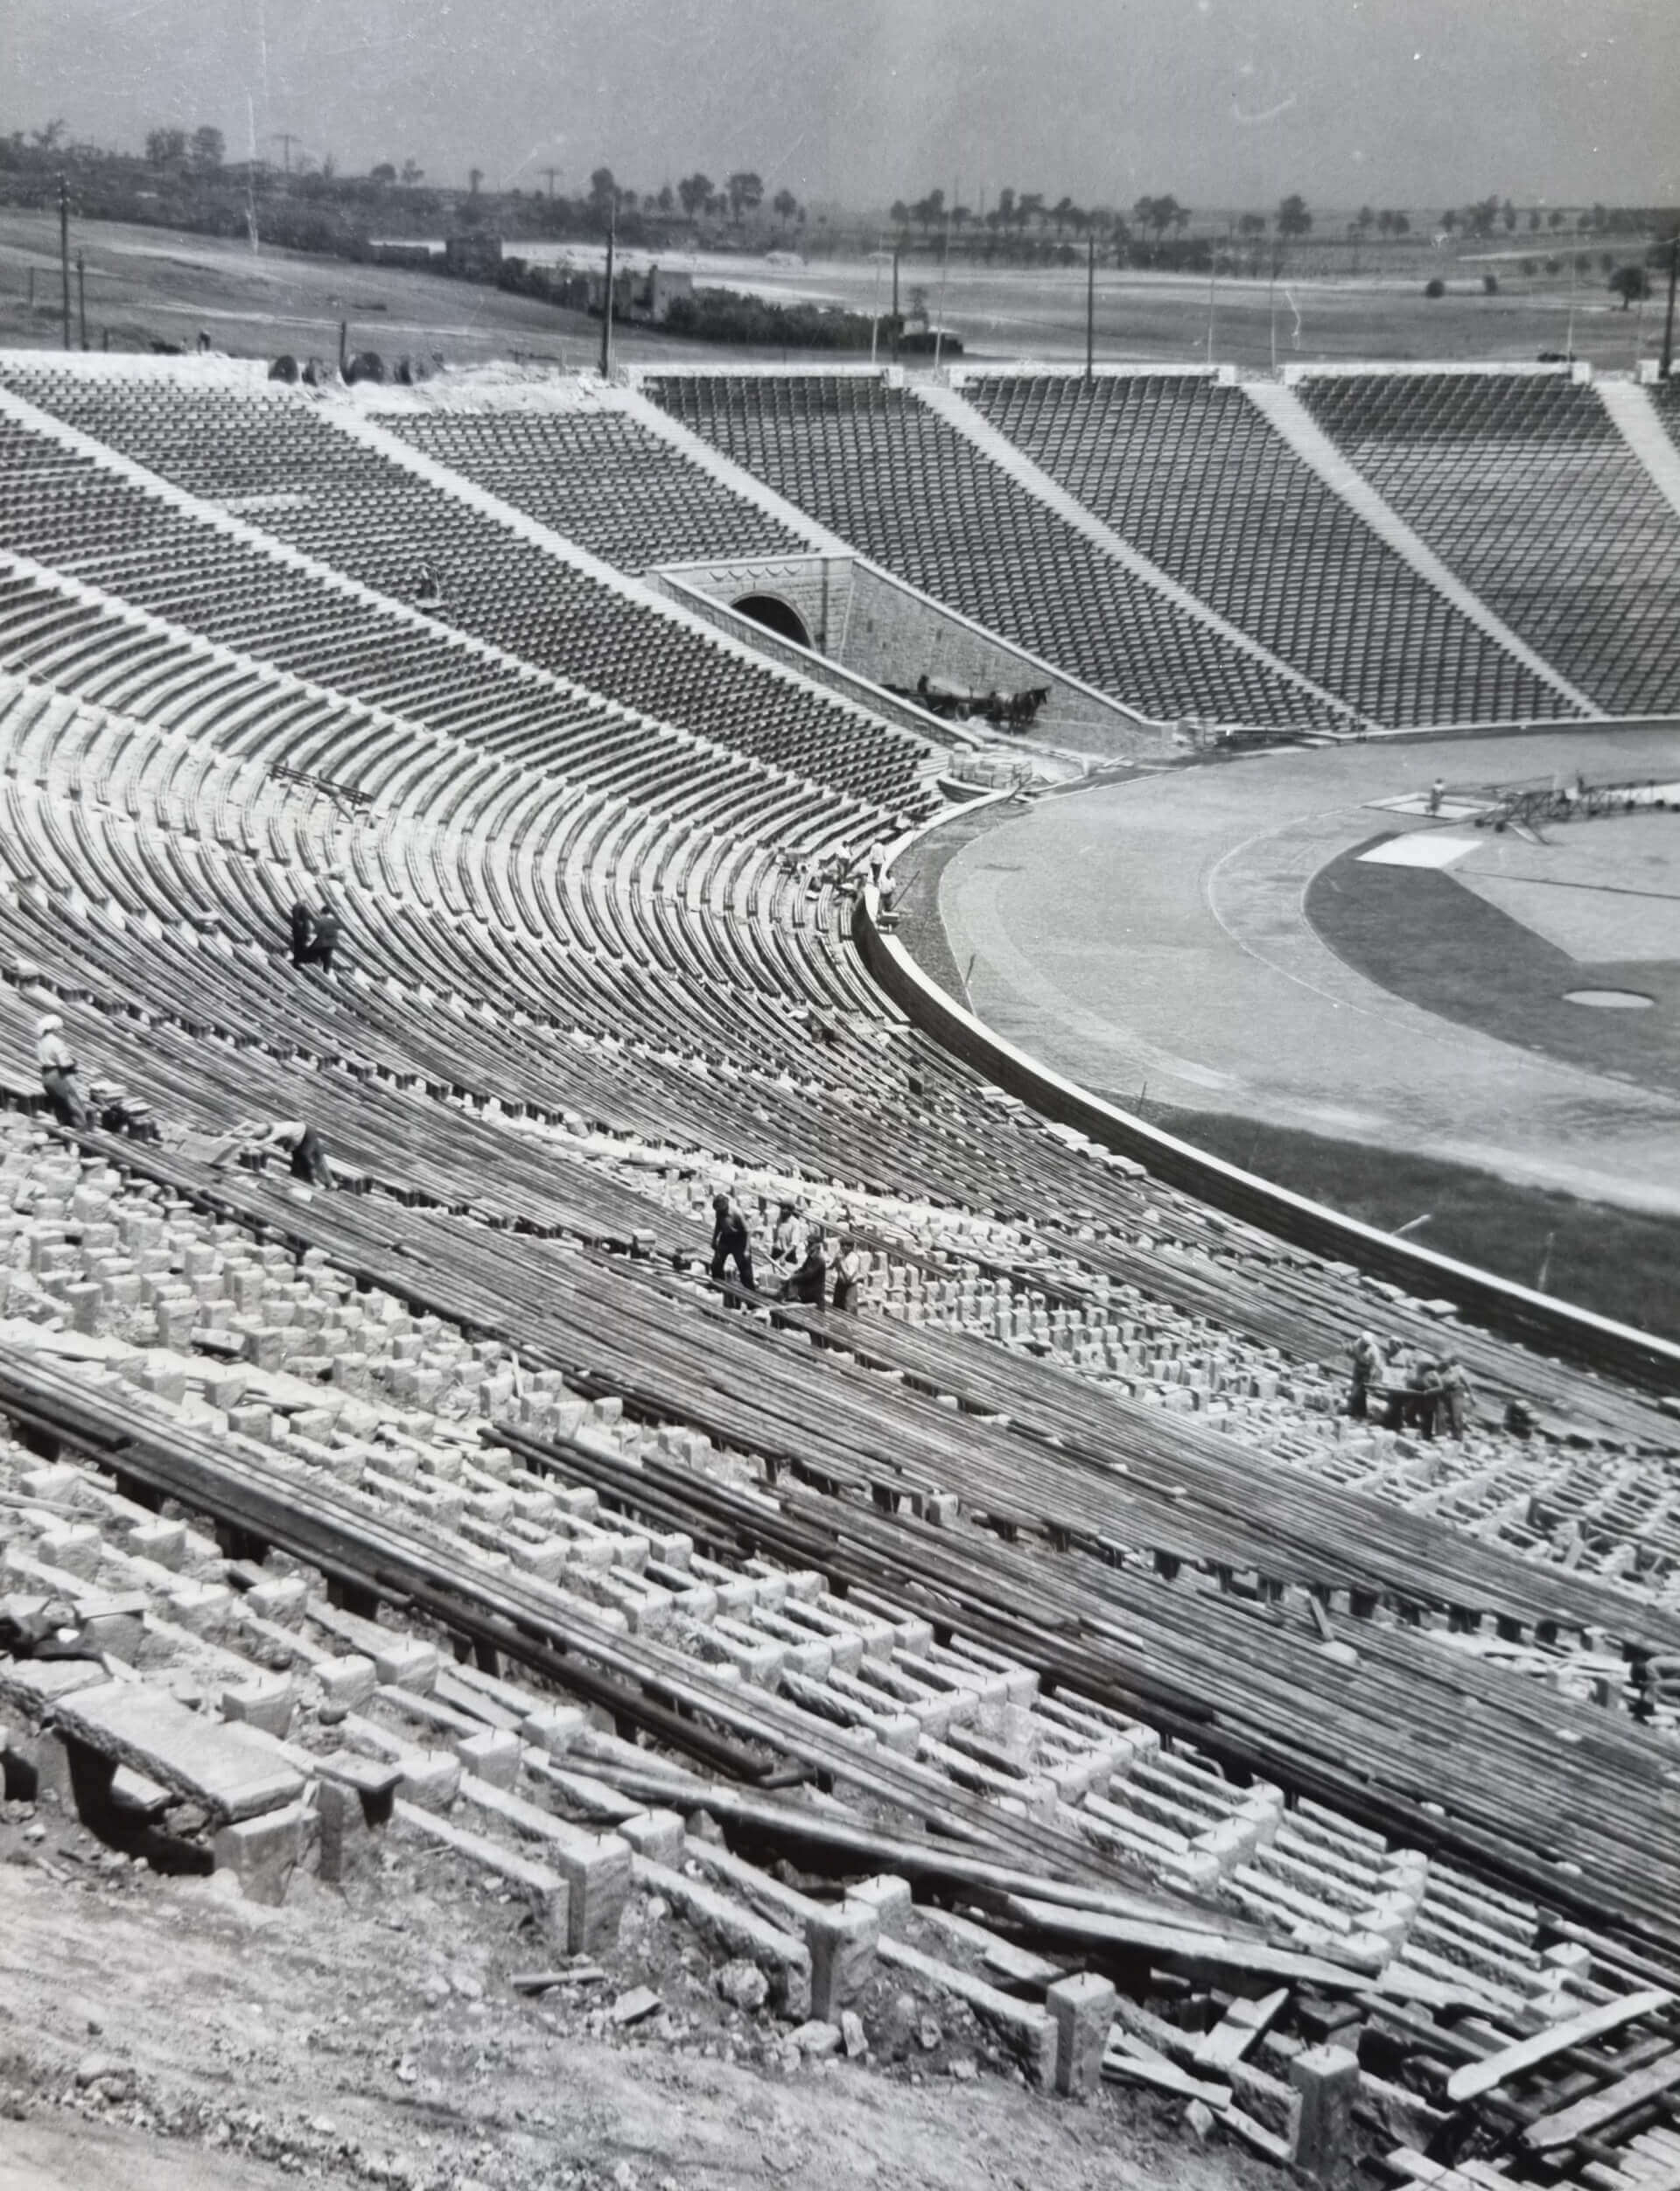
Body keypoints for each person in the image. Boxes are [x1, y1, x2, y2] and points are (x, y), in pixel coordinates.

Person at [210, 1118, 333, 1189]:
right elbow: (253, 1132)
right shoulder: (267, 1127)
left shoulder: (277, 1131)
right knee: (296, 1158)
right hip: (297, 1137)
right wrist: (239, 1134)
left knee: (305, 1156)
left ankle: (314, 1180)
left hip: (307, 1133)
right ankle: (298, 1176)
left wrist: (251, 1145)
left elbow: (265, 1142)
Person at [36, 1013, 90, 1129]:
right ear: (55, 1028)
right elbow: (64, 1063)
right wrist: (74, 1065)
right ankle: (81, 1127)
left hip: (45, 1075)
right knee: (73, 1101)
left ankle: (63, 1125)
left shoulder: (40, 1042)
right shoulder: (56, 1042)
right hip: (58, 1075)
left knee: (58, 1102)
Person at [710, 1192, 754, 1297]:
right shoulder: (719, 1212)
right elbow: (718, 1225)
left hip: (739, 1239)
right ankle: (719, 1287)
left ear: (726, 1205)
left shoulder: (737, 1213)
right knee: (716, 1264)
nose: (720, 1212)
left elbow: (748, 1231)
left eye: (722, 1209)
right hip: (725, 1238)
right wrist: (714, 1239)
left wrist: (747, 1249)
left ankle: (751, 1296)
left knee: (745, 1270)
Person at [780, 1230, 828, 1309]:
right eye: (808, 1243)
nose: (809, 1245)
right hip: (807, 1292)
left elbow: (808, 1275)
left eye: (811, 1244)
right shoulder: (810, 1257)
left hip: (815, 1295)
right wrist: (794, 1273)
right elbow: (803, 1269)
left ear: (818, 1245)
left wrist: (792, 1277)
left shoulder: (819, 1259)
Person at [770, 1199, 808, 1281]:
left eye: (785, 1209)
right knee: (773, 1276)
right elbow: (775, 1235)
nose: (782, 1211)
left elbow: (794, 1244)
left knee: (788, 1277)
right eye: (782, 1208)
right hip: (776, 1251)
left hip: (788, 1254)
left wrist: (784, 1256)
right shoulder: (779, 1219)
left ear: (790, 1211)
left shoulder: (795, 1223)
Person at [1348, 1330, 1382, 1420]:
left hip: (1367, 1371)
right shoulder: (1357, 1343)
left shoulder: (1374, 1349)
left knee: (1361, 1392)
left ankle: (1360, 1413)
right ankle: (1354, 1411)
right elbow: (1353, 1355)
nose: (1366, 1346)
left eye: (1367, 1345)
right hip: (1358, 1368)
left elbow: (1375, 1365)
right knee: (1354, 1389)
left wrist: (1370, 1376)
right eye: (1365, 1344)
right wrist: (1349, 1351)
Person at [1438, 1354, 1473, 1440]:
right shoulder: (1440, 1370)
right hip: (1444, 1393)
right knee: (1441, 1416)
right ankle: (1441, 1437)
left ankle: (1458, 1438)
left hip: (1457, 1392)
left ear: (1450, 1361)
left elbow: (1466, 1382)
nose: (1443, 1362)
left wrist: (1471, 1395)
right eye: (1442, 1360)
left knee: (1456, 1416)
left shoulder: (1458, 1369)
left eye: (1445, 1360)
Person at [830, 1237, 864, 1314]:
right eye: (842, 1245)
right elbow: (832, 1267)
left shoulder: (854, 1258)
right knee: (837, 1308)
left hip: (849, 1287)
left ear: (851, 1247)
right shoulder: (840, 1255)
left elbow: (848, 1277)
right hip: (839, 1285)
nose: (844, 1247)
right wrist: (836, 1261)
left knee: (849, 1310)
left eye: (847, 1245)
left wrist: (842, 1263)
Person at [289, 900, 316, 968]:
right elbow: (296, 919)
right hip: (301, 932)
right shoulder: (300, 908)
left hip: (300, 932)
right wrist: (302, 928)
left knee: (299, 947)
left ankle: (297, 962)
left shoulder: (297, 907)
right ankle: (297, 963)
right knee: (300, 947)